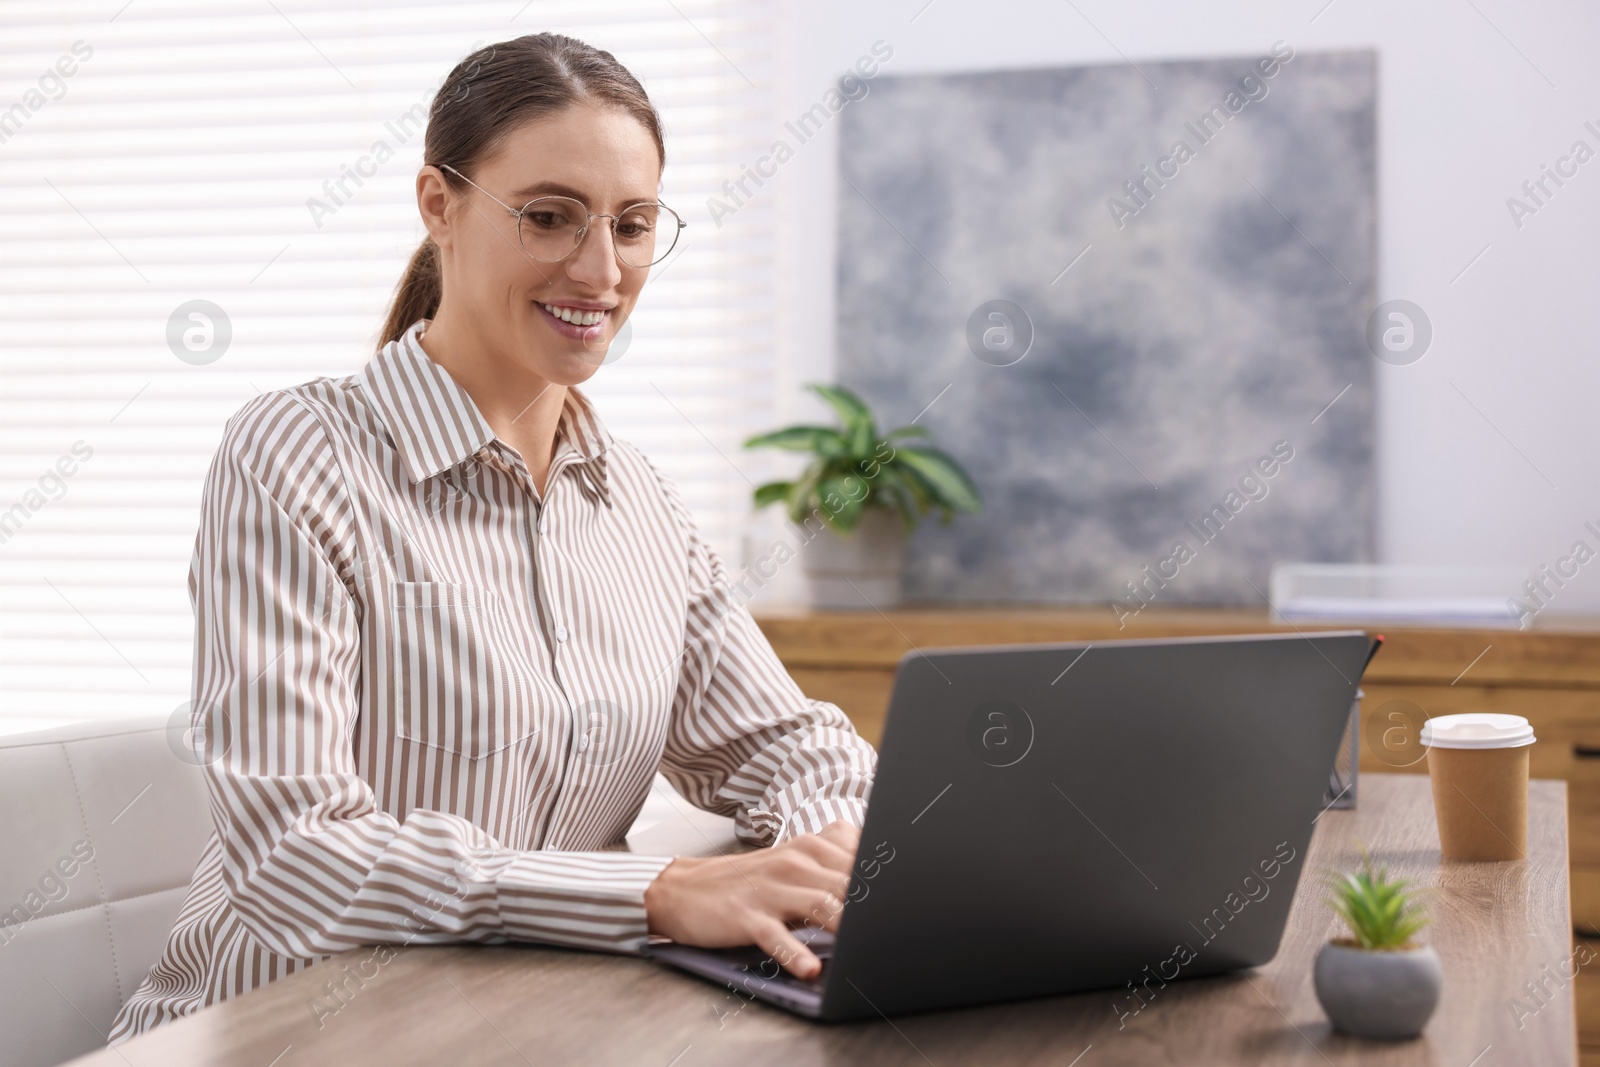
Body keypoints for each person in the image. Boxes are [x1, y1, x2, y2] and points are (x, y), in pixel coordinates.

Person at [108, 33, 876, 1043]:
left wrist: (821, 853)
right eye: (550, 217)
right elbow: (295, 854)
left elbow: (786, 742)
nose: (600, 270)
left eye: (633, 224)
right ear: (439, 204)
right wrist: (655, 890)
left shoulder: (635, 500)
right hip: (281, 1031)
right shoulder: (297, 455)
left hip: (525, 1028)